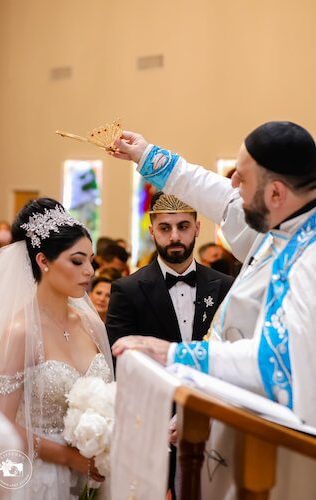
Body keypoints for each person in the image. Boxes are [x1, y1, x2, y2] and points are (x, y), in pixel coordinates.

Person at [110, 122, 316, 499]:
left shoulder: (310, 260)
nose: (233, 183)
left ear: (274, 193)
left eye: (243, 177)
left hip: (280, 448)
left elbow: (279, 363)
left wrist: (174, 355)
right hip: (233, 412)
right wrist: (146, 155)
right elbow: (218, 196)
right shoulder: (283, 222)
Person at [0, 198, 114, 499]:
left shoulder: (90, 325)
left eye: (91, 260)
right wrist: (69, 458)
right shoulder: (20, 332)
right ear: (43, 261)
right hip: (42, 476)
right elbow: (2, 426)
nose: (90, 271)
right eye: (77, 261)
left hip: (94, 474)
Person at [107, 191, 233, 498]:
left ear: (197, 228)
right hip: (151, 428)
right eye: (165, 228)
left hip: (213, 424)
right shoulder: (127, 290)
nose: (174, 236)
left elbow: (230, 355)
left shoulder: (226, 286)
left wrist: (198, 410)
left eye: (182, 226)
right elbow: (122, 365)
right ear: (151, 231)